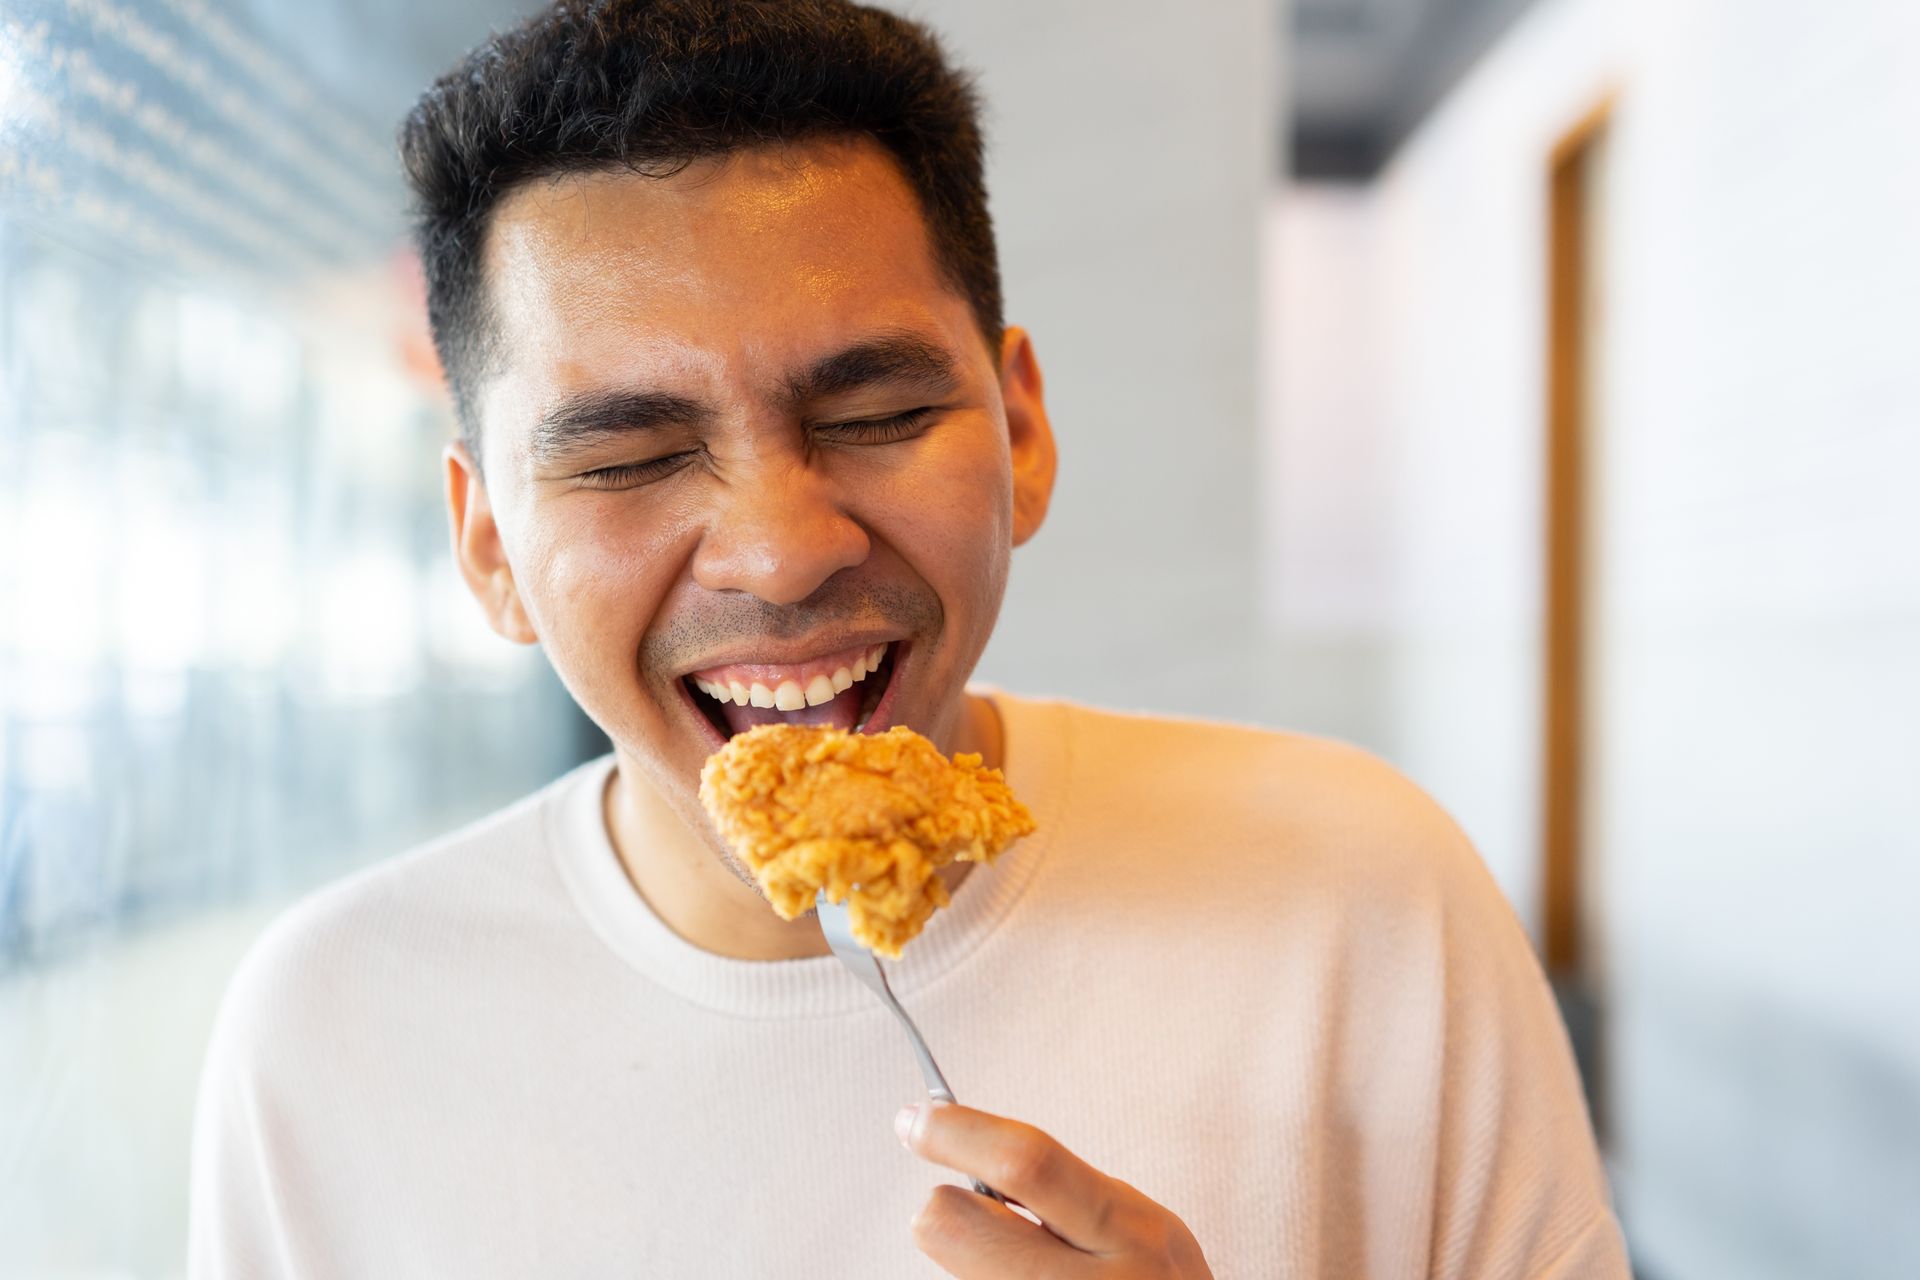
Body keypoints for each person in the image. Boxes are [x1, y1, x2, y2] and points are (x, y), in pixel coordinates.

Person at [187, 1, 1629, 1275]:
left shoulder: (1362, 895)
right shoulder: (335, 1033)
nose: (782, 545)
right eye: (627, 458)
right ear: (490, 548)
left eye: (874, 418)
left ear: (1023, 430)